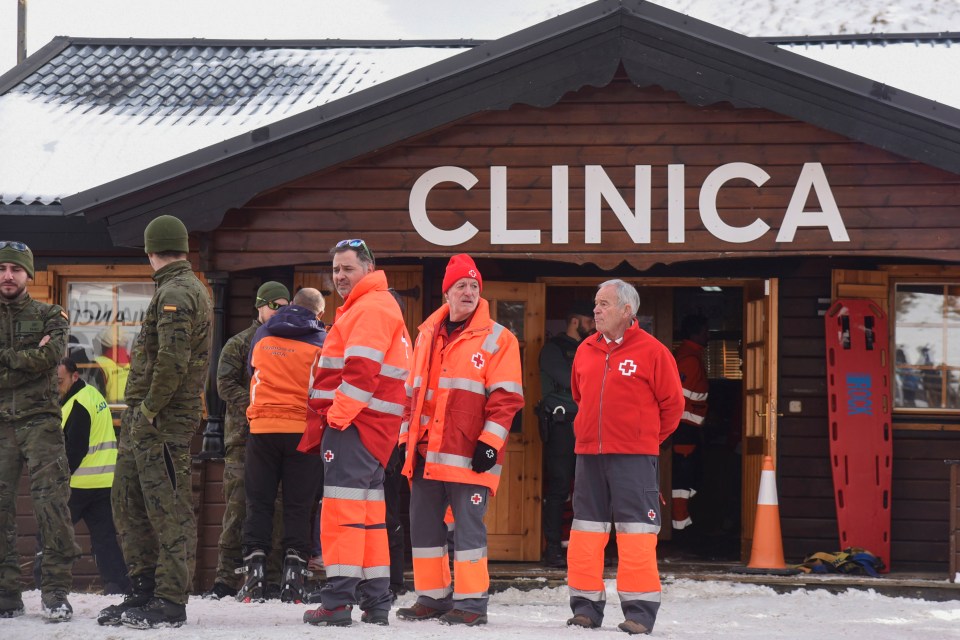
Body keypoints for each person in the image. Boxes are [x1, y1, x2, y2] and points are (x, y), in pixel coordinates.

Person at [396, 254, 524, 627]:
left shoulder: (500, 338)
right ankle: (432, 598)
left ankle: (470, 603)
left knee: (468, 529)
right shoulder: (425, 336)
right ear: (447, 293)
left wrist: (489, 442)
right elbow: (410, 396)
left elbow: (507, 399)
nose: (468, 292)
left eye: (474, 286)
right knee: (424, 527)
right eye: (461, 286)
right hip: (424, 455)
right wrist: (405, 442)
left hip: (469, 455)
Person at [98, 215, 211, 629]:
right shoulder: (173, 287)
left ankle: (169, 600)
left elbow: (172, 360)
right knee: (129, 503)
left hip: (161, 421)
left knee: (167, 509)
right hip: (144, 421)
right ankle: (144, 589)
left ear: (150, 250)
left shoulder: (178, 292)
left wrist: (147, 410)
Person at [299, 238, 411, 627]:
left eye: (347, 268)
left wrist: (337, 418)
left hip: (355, 427)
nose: (340, 276)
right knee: (368, 517)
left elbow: (361, 372)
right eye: (335, 270)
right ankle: (376, 600)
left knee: (341, 514)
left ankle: (337, 602)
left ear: (368, 267)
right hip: (371, 430)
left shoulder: (370, 307)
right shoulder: (376, 306)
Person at [566, 279, 684, 636]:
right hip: (589, 456)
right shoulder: (585, 349)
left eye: (604, 304)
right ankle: (585, 608)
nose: (596, 311)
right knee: (586, 533)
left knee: (636, 535)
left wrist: (645, 439)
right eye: (595, 304)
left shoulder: (654, 351)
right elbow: (579, 397)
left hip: (634, 458)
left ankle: (639, 612)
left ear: (626, 310)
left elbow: (673, 406)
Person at [0, 240, 81, 621]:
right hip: (2, 423)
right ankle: (6, 592)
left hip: (41, 422)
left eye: (15, 269)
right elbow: (37, 360)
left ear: (28, 274)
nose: (7, 276)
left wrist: (7, 358)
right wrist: (25, 361)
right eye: (2, 269)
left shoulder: (52, 314)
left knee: (52, 505)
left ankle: (55, 592)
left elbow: (51, 357)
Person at [238, 287, 327, 604]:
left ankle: (254, 577)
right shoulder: (321, 339)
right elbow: (325, 384)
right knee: (299, 507)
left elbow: (252, 371)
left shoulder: (263, 331)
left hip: (262, 429)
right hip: (302, 431)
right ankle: (294, 580)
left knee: (258, 503)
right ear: (318, 313)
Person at [203, 281, 290, 601]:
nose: (280, 312)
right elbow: (223, 384)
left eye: (286, 306)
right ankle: (226, 579)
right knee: (238, 508)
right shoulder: (240, 343)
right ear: (261, 306)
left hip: (276, 440)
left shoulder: (287, 344)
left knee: (277, 508)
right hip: (242, 439)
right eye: (275, 306)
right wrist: (256, 405)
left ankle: (274, 577)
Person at [54, 357, 130, 594]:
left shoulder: (77, 405)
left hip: (78, 484)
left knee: (52, 533)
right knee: (105, 538)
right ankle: (117, 585)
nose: (56, 387)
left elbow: (74, 451)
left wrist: (58, 480)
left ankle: (44, 585)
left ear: (74, 376)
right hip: (103, 481)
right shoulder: (92, 395)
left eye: (59, 381)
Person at [539, 301, 595, 568]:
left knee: (589, 489)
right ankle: (553, 550)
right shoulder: (554, 350)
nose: (593, 325)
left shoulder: (590, 348)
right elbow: (573, 380)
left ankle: (588, 551)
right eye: (589, 320)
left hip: (588, 425)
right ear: (575, 321)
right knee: (560, 487)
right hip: (562, 425)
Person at [671, 314, 710, 531]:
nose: (708, 336)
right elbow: (677, 395)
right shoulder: (688, 359)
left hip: (688, 427)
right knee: (683, 478)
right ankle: (680, 527)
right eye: (705, 331)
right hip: (683, 428)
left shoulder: (691, 355)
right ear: (696, 333)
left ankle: (681, 524)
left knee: (689, 476)